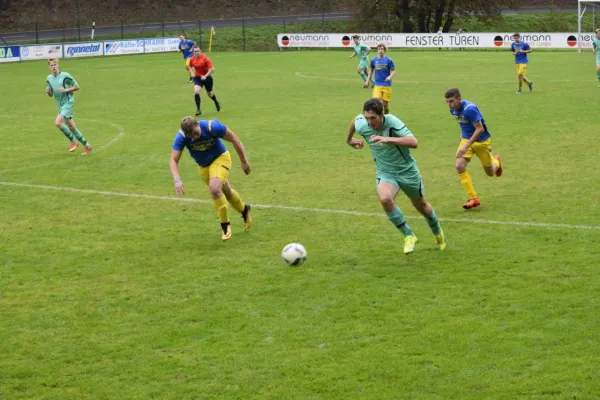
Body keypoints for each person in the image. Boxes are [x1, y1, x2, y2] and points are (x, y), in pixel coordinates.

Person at [346, 98, 447, 254]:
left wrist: (387, 139)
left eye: (373, 118)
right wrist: (349, 140)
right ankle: (409, 236)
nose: (369, 122)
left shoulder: (392, 122)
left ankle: (438, 234)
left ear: (382, 114)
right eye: (367, 118)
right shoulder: (364, 124)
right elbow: (356, 119)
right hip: (386, 173)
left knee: (422, 206)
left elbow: (414, 142)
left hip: (407, 172)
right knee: (385, 198)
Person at [170, 116, 252, 241]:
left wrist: (244, 161)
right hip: (204, 167)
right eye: (191, 136)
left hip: (221, 158)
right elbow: (173, 160)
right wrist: (177, 180)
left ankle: (225, 226)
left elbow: (235, 139)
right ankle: (244, 209)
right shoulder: (181, 137)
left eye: (196, 133)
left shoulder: (212, 126)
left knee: (214, 189)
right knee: (226, 191)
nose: (195, 137)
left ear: (197, 124)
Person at [444, 88, 503, 210]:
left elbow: (480, 129)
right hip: (467, 139)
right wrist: (463, 140)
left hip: (481, 141)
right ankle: (473, 198)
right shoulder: (453, 110)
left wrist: (466, 145)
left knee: (490, 172)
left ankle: (496, 162)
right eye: (447, 102)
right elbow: (464, 125)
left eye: (451, 101)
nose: (449, 104)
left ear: (459, 99)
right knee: (459, 165)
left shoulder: (470, 109)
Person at [45, 58, 92, 155]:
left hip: (68, 102)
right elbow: (51, 95)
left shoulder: (65, 76)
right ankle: (87, 146)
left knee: (58, 123)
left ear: (58, 65)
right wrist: (48, 92)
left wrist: (66, 90)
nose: (53, 67)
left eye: (55, 64)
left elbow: (77, 86)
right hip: (60, 105)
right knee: (71, 127)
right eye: (51, 65)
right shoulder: (49, 78)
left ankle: (73, 142)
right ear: (49, 67)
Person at [186, 45, 221, 116]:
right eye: (195, 51)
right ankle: (198, 109)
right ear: (193, 52)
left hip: (207, 78)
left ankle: (216, 102)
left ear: (200, 51)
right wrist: (192, 73)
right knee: (196, 91)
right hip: (198, 78)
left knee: (210, 94)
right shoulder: (192, 59)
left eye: (198, 51)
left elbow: (212, 69)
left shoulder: (205, 58)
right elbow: (188, 66)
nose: (197, 53)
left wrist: (205, 76)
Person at [365, 43, 395, 115]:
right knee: (376, 101)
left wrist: (389, 77)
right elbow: (371, 71)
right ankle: (380, 117)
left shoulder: (389, 60)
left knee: (385, 104)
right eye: (379, 49)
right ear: (377, 50)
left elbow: (393, 71)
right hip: (377, 84)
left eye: (382, 49)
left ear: (384, 50)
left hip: (386, 84)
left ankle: (386, 113)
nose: (380, 51)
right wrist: (367, 81)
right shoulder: (373, 60)